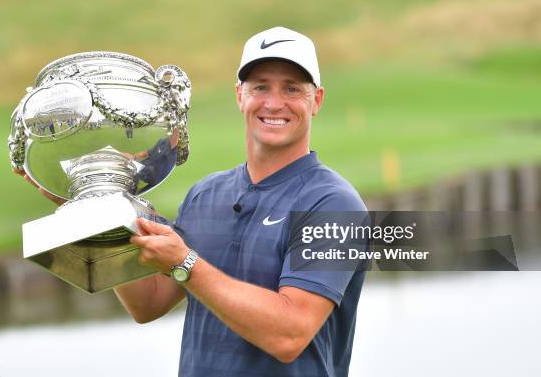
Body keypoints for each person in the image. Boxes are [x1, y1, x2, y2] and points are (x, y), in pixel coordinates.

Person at [114, 26, 368, 377]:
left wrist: (187, 264)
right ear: (240, 95)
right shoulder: (205, 194)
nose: (274, 103)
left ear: (317, 100)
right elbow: (147, 303)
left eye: (292, 88)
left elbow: (290, 334)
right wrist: (101, 210)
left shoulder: (334, 205)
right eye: (260, 86)